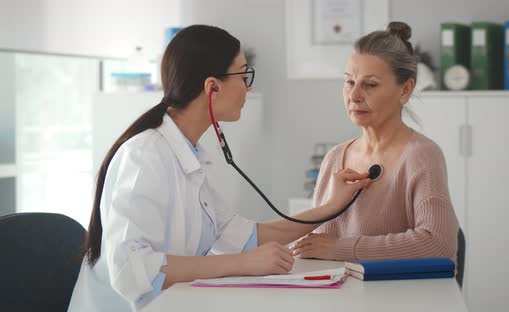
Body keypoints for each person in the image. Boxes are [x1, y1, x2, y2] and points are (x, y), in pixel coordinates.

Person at [68, 25, 371, 312]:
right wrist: (242, 263)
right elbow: (131, 270)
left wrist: (333, 206)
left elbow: (248, 236)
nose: (247, 88)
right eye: (243, 75)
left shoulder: (190, 156)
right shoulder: (144, 155)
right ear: (212, 87)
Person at [292, 22, 459, 265]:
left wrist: (342, 248)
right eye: (349, 82)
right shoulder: (334, 157)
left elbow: (438, 244)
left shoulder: (422, 156)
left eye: (370, 85)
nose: (354, 95)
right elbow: (315, 246)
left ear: (405, 90)